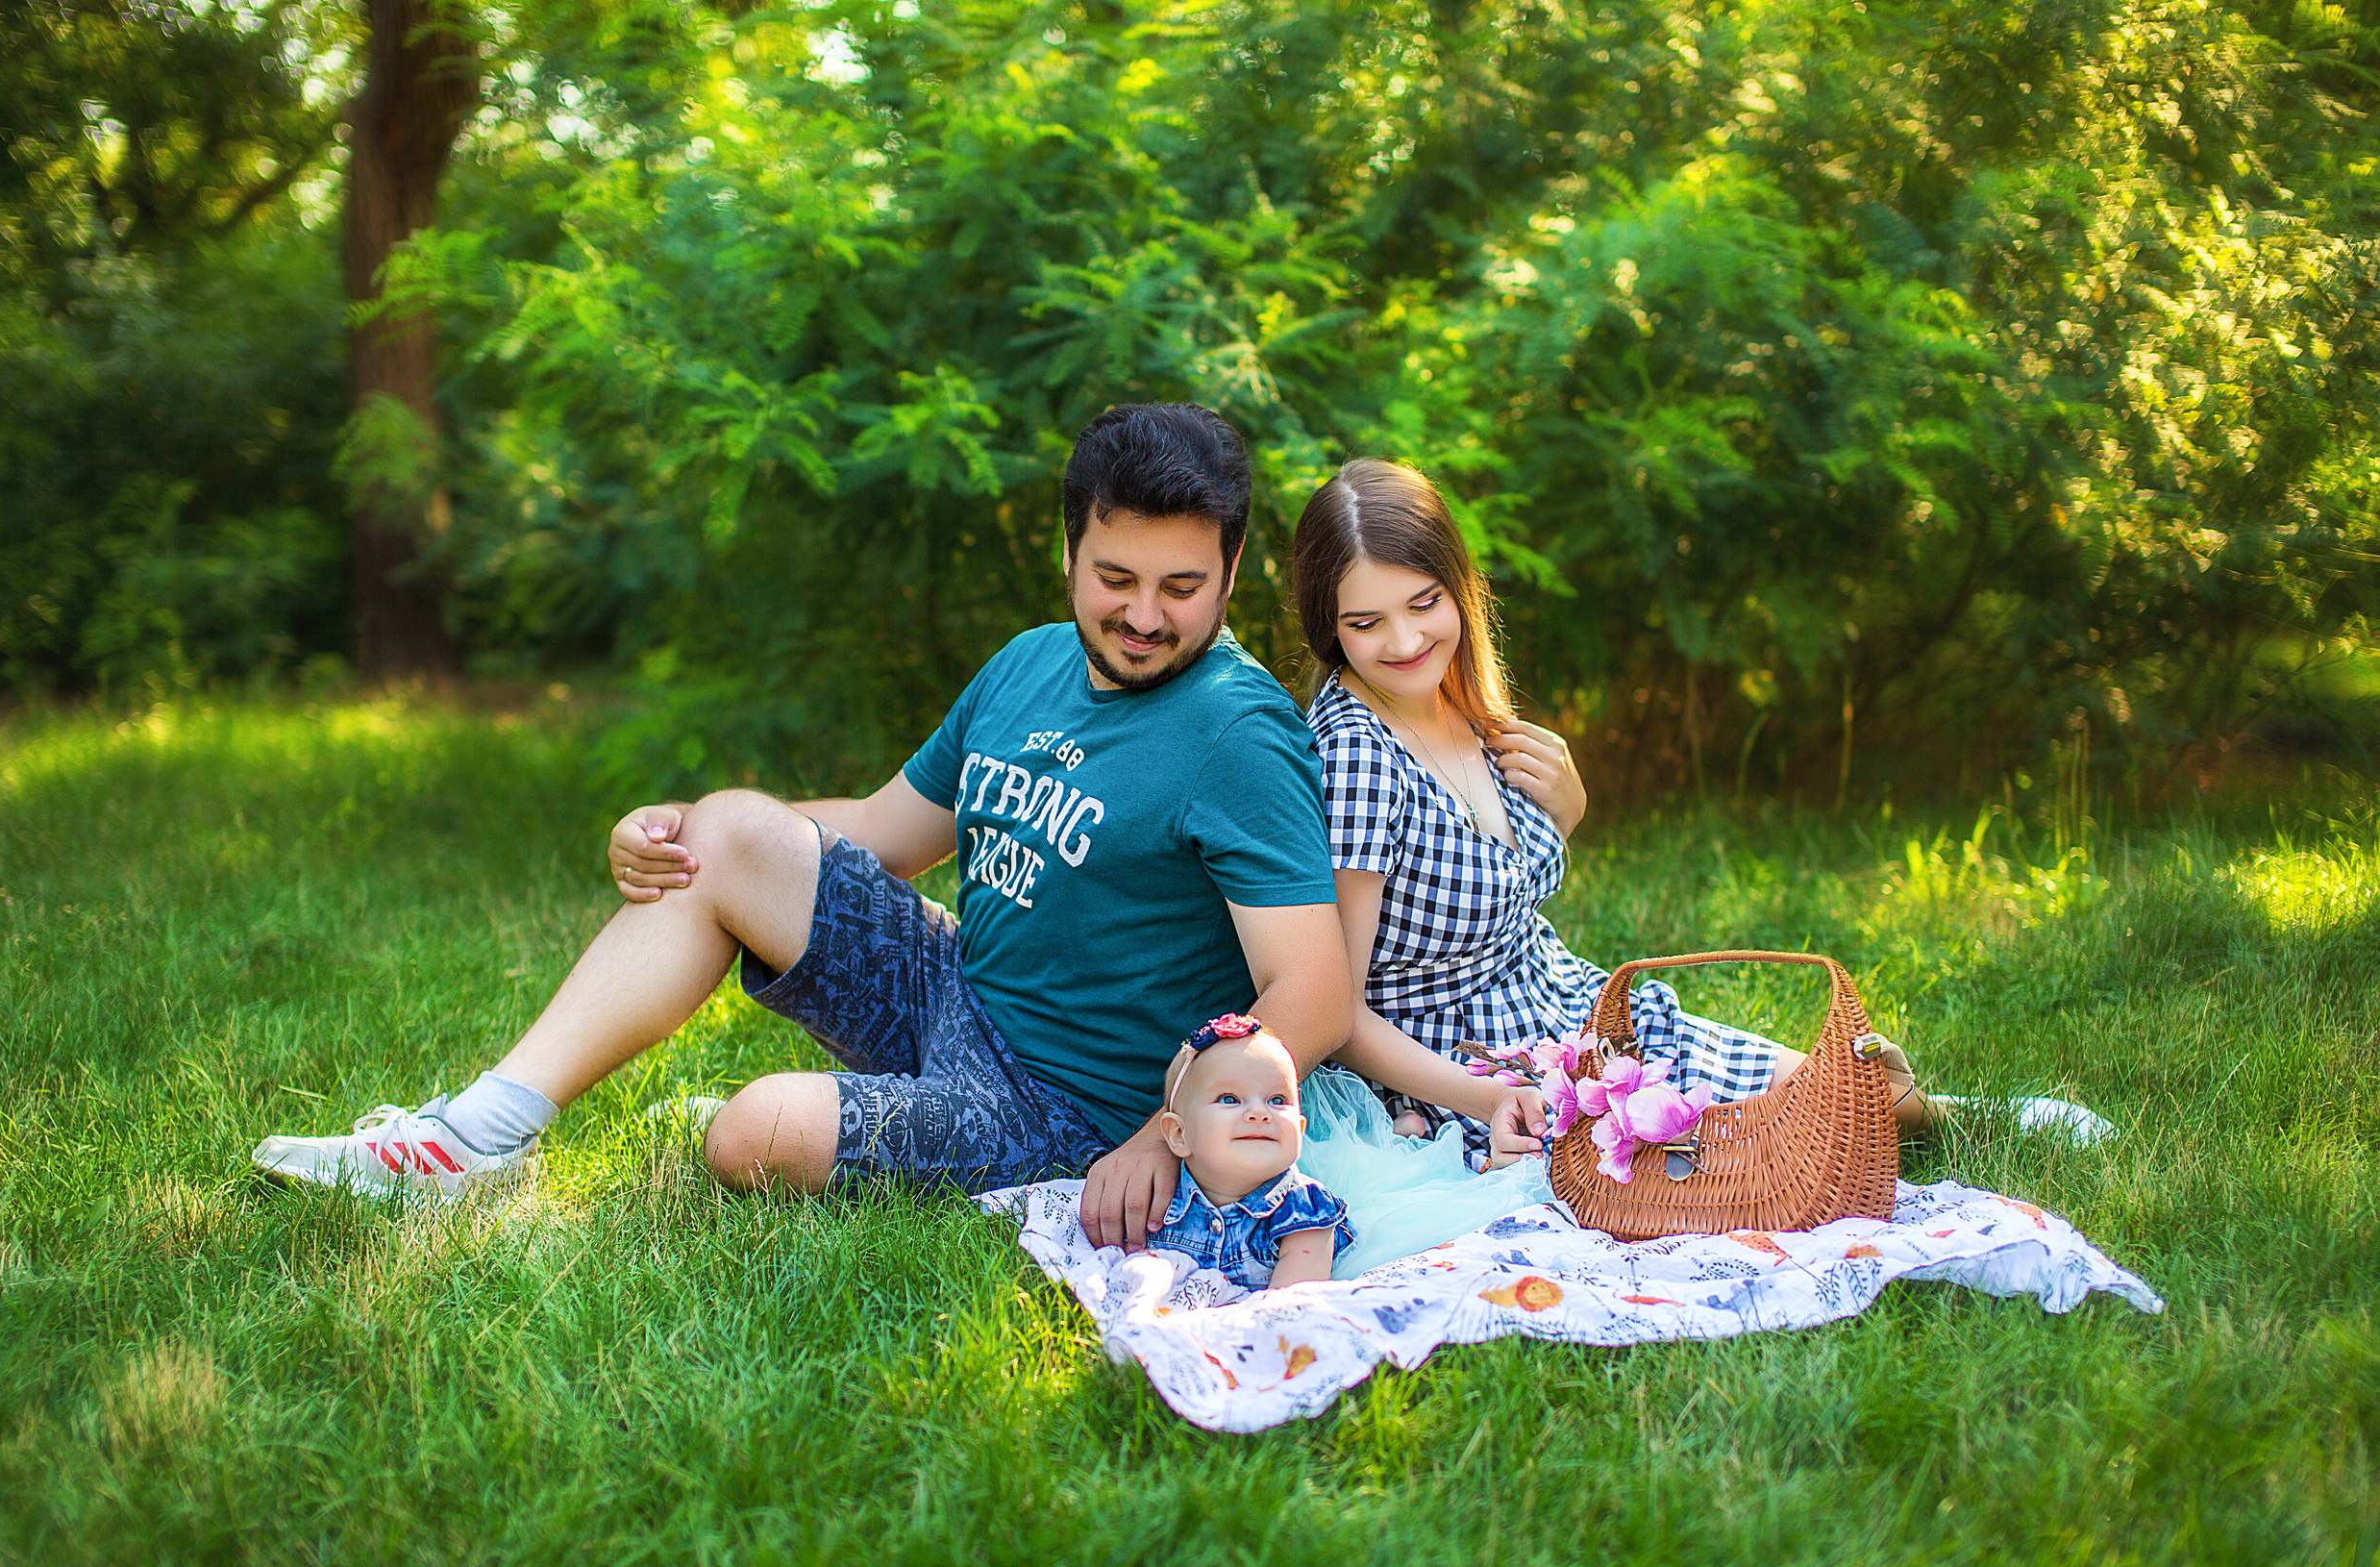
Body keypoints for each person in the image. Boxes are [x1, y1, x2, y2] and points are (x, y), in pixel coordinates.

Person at [251, 404, 1352, 1251]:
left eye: (1181, 586)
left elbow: (1311, 989)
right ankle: (480, 1133)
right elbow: (882, 832)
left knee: (750, 1136)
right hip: (961, 987)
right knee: (730, 829)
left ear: (1231, 572)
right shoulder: (1029, 663)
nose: (1145, 616)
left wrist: (1162, 1136)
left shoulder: (1235, 733)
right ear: (1066, 551)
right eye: (1116, 578)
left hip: (1070, 1104)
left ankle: (849, 1116)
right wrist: (678, 831)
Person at [1285, 458, 1940, 1171]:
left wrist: (1568, 810)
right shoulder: (1357, 755)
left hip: (1569, 1011)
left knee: (1869, 1093)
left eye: (1423, 603)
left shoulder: (1458, 703)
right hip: (1464, 1069)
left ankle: (1978, 1114)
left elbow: (1478, 887)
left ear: (1459, 590)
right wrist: (1486, 1098)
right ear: (1330, 628)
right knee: (1797, 1138)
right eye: (1366, 621)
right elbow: (1339, 1012)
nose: (1406, 641)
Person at [1144, 1013, 1352, 1290]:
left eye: (1277, 1100)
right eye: (1230, 1099)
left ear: (1300, 1130)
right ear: (1180, 1135)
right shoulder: (1156, 1196)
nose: (1259, 1113)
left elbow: (1289, 1307)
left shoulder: (1304, 1211)